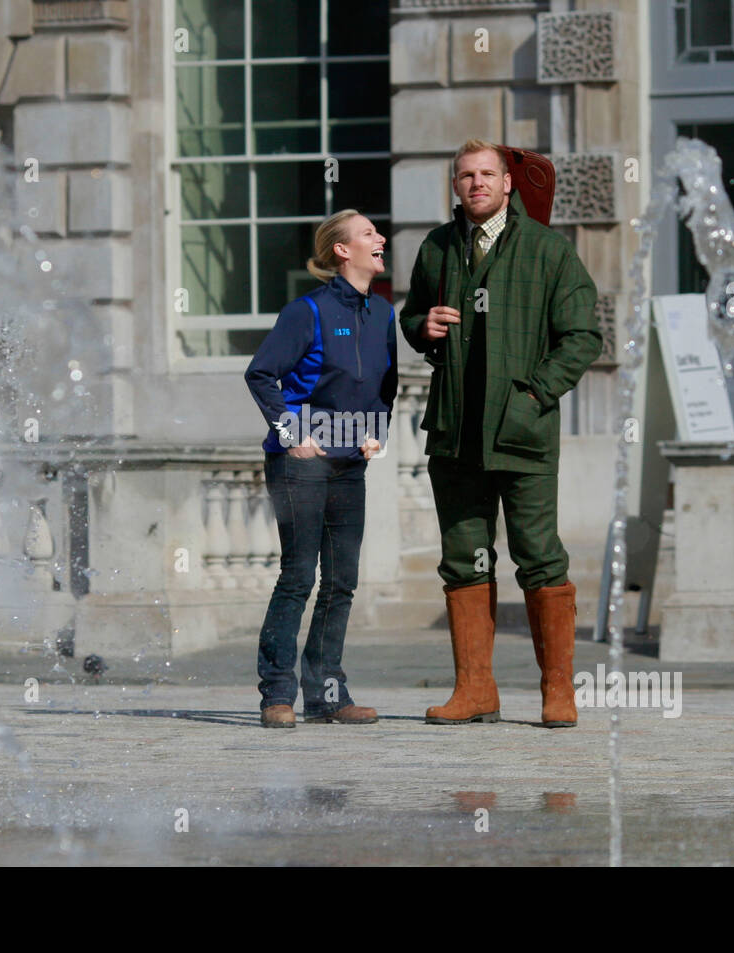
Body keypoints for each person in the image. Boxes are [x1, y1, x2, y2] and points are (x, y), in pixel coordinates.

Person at [399, 139, 601, 728]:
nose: (476, 183)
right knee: (464, 559)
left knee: (539, 557)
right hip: (455, 431)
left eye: (488, 174)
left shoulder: (548, 252)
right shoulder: (437, 248)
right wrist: (423, 326)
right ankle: (475, 689)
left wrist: (535, 393)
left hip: (522, 433)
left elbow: (583, 337)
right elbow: (413, 318)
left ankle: (558, 691)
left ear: (508, 184)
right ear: (455, 185)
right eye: (466, 175)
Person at [244, 210, 397, 729]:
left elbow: (386, 387)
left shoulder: (383, 314)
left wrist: (379, 432)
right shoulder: (305, 310)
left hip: (350, 464)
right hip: (300, 465)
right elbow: (261, 374)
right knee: (297, 576)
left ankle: (328, 694)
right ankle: (276, 695)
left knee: (342, 580)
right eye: (369, 233)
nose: (381, 238)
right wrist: (292, 436)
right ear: (342, 250)